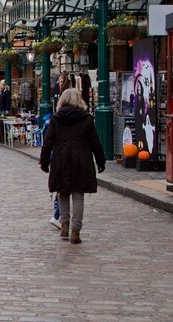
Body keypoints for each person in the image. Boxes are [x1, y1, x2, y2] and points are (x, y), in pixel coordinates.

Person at [39, 88, 105, 244]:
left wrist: (44, 161)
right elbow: (95, 143)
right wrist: (100, 161)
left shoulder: (56, 119)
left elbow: (47, 143)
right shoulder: (86, 119)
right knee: (78, 195)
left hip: (61, 158)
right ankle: (76, 230)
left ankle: (64, 224)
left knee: (63, 192)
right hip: (81, 159)